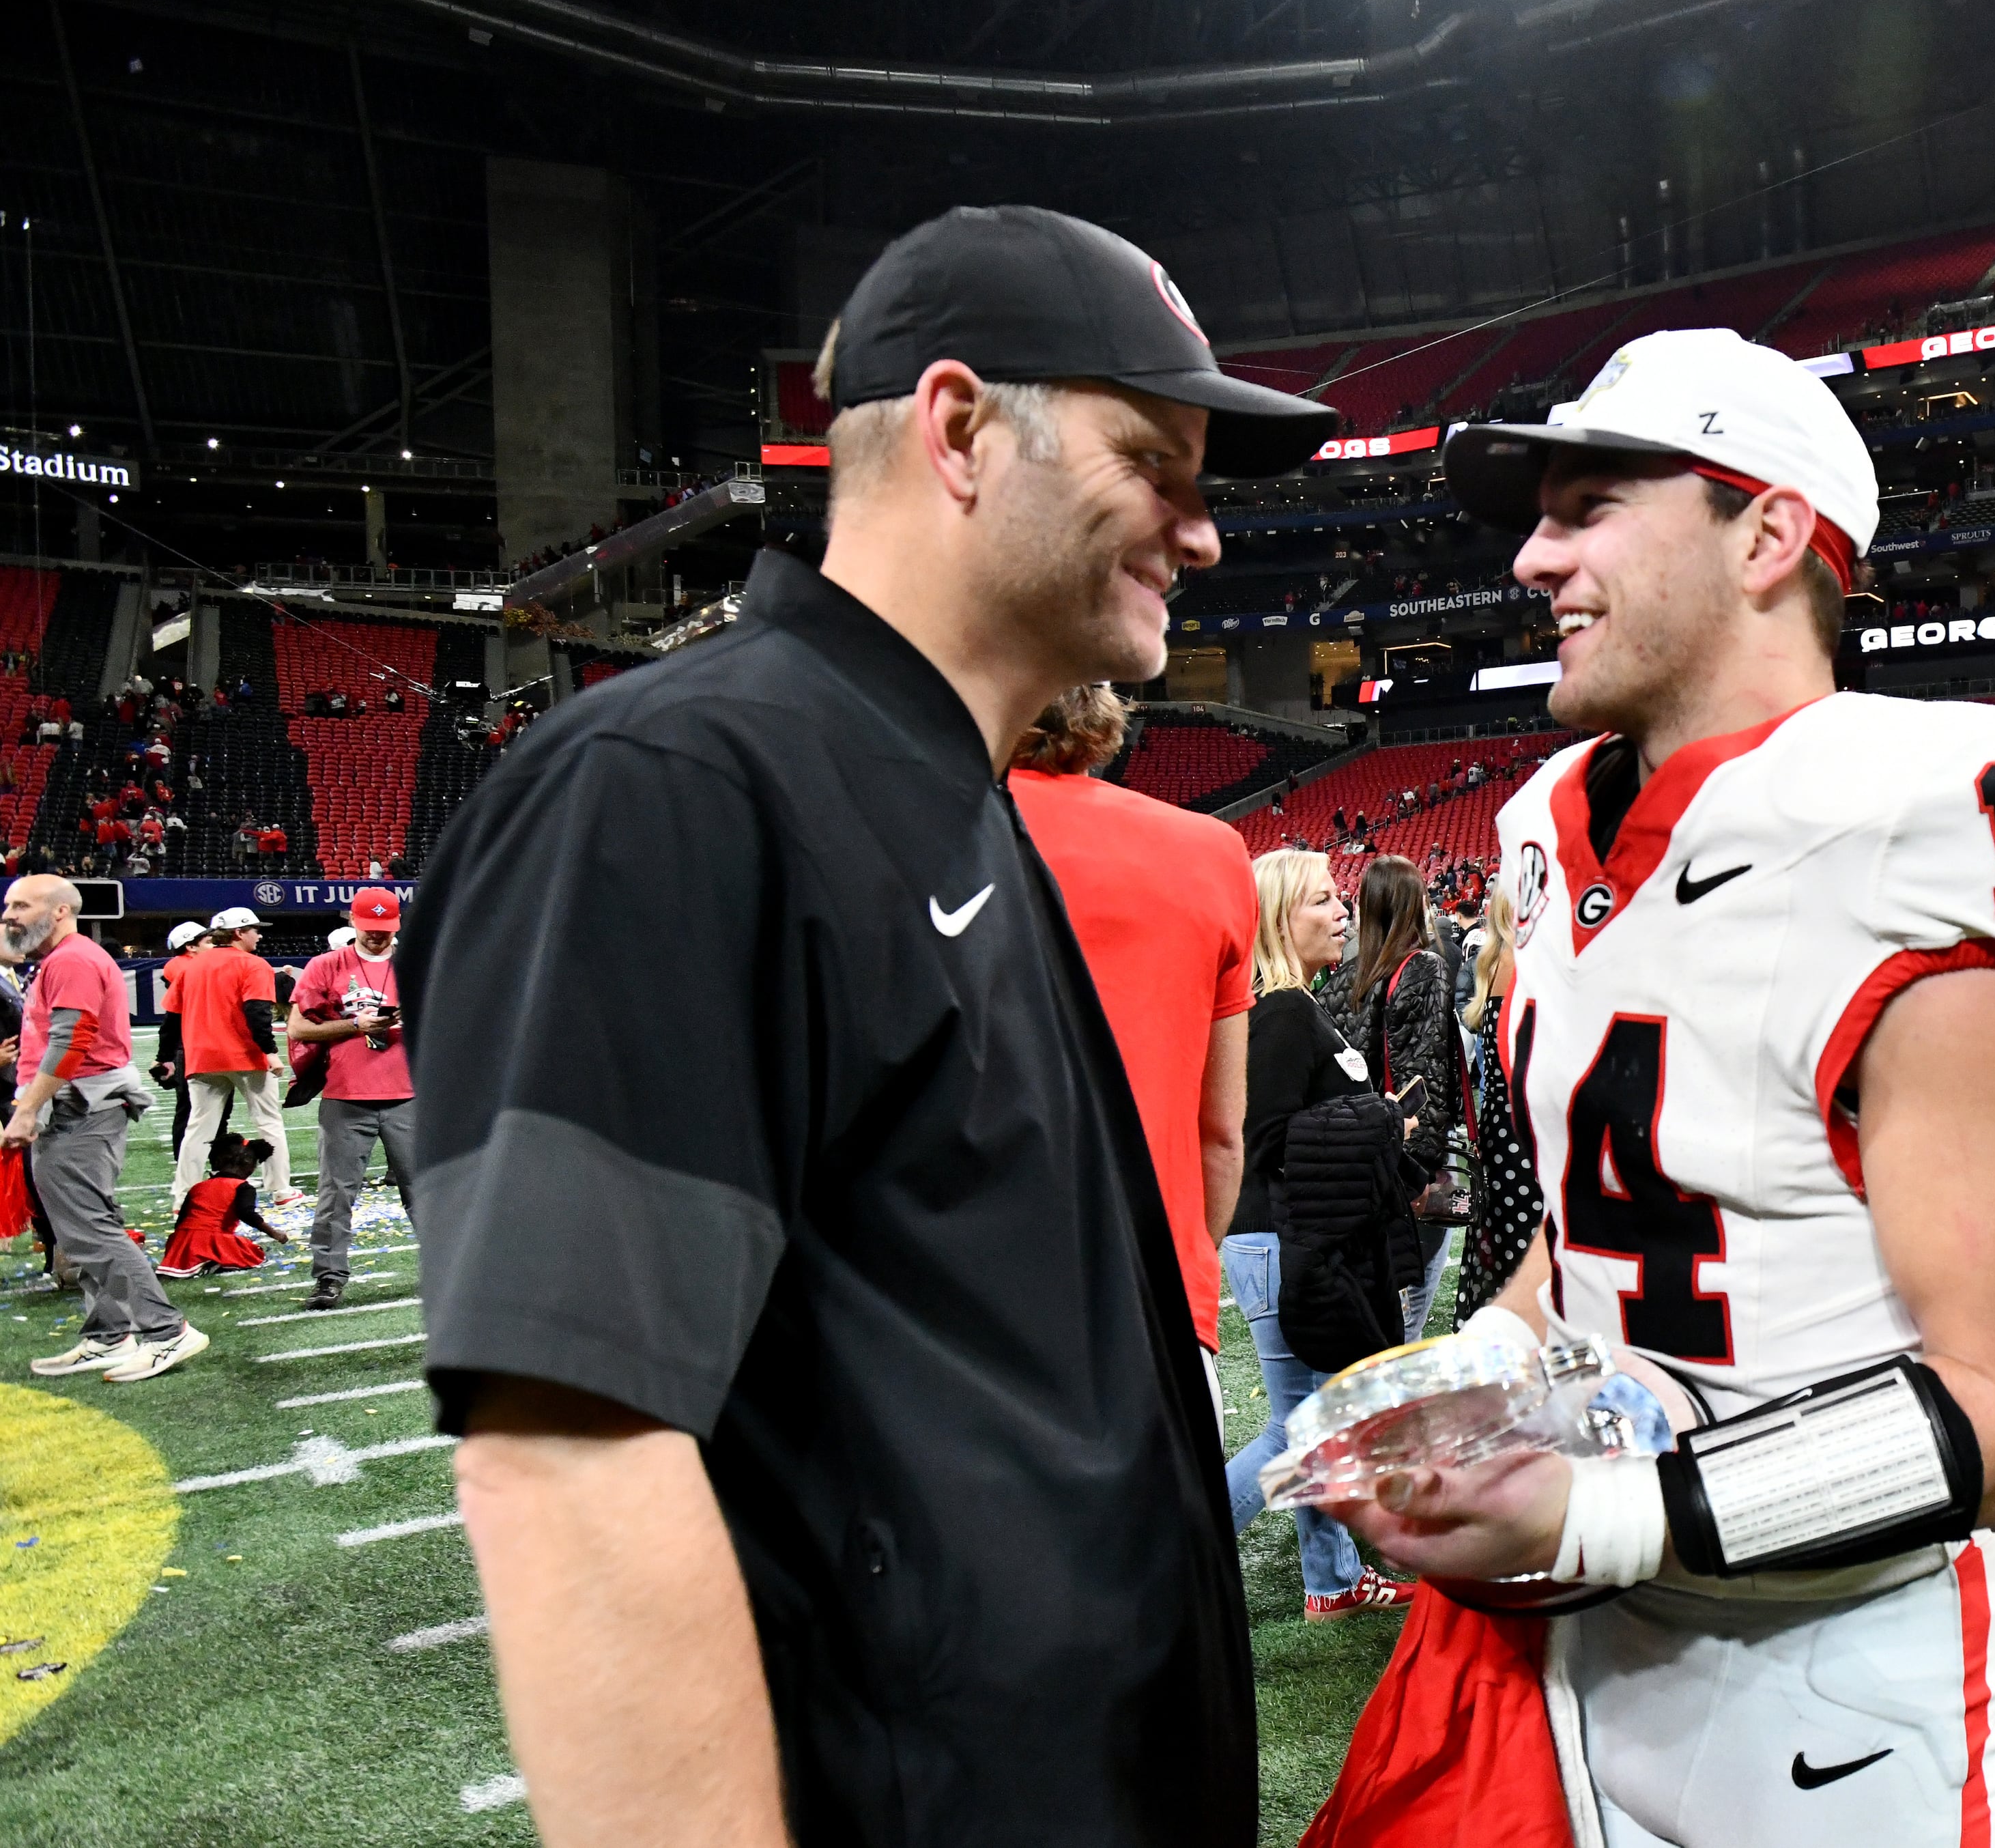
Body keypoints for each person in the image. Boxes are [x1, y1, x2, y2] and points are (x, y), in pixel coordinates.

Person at [405, 205, 1334, 1843]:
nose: (1198, 532)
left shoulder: (944, 797)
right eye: (1154, 458)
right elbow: (569, 1453)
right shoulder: (668, 791)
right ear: (961, 427)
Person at [1309, 329, 1995, 1845]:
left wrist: (1609, 1514)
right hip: (1578, 1652)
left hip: (1834, 1685)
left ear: (1769, 533)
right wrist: (1471, 1368)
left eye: (1592, 504)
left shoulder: (1934, 808)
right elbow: (1622, 1206)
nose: (1537, 558)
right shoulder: (1552, 816)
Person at [1009, 683, 1254, 1429]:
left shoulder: (898, 825)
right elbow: (1220, 1137)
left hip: (957, 1319)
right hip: (1158, 1310)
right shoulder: (1211, 851)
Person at [1220, 849, 1419, 1623]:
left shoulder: (1300, 1004)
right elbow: (1264, 1137)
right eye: (1322, 901)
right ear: (1278, 919)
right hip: (1278, 1241)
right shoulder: (1280, 1012)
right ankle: (1175, 1559)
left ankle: (1331, 1580)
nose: (1343, 911)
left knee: (1317, 1420)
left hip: (1292, 1239)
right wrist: (1378, 1120)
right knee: (1294, 1428)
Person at [8, 875, 206, 1384]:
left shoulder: (72, 960)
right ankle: (110, 1334)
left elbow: (73, 1038)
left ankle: (167, 1332)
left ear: (58, 912)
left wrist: (27, 1108)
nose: (9, 914)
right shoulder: (62, 959)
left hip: (81, 1107)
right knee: (84, 1227)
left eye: (21, 905)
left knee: (90, 1229)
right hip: (80, 1105)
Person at [1329, 854, 1461, 1340]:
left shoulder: (1345, 978)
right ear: (1414, 903)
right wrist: (1418, 1176)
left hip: (1360, 1157)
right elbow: (1424, 1077)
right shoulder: (1424, 967)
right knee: (1409, 1305)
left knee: (1377, 1298)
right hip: (1409, 1163)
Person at [288, 887, 414, 1311]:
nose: (378, 937)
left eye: (385, 930)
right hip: (346, 1095)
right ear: (353, 923)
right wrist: (355, 1026)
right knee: (336, 1195)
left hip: (410, 1095)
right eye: (369, 929)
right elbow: (299, 1030)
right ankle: (328, 1279)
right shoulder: (326, 965)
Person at [1452, 889, 1538, 1324]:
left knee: (1501, 1241)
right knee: (1530, 1248)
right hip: (1526, 1133)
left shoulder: (1493, 961)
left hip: (1499, 1130)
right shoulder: (1527, 965)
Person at [171, 905, 293, 1210]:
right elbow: (257, 1013)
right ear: (239, 933)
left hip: (201, 1057)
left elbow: (172, 1017)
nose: (259, 935)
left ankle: (184, 1194)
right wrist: (271, 1053)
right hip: (245, 1055)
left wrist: (166, 1056)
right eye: (254, 929)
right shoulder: (253, 965)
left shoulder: (191, 966)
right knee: (268, 1123)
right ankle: (281, 1190)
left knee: (199, 1128)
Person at [157, 1134, 288, 1278]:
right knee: (253, 1252)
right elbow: (246, 1214)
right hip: (212, 1239)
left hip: (182, 1241)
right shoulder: (243, 1187)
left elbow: (182, 1219)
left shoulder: (199, 1187)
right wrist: (274, 1233)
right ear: (250, 1166)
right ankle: (211, 1260)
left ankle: (192, 1259)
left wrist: (179, 1244)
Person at [151, 920, 224, 1161]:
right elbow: (172, 1021)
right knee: (192, 1107)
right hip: (192, 1045)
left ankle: (206, 1156)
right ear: (191, 947)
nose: (214, 946)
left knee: (205, 1107)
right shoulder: (182, 968)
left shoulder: (187, 967)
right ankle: (187, 1158)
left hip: (195, 1043)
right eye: (209, 942)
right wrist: (165, 1057)